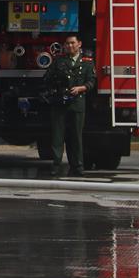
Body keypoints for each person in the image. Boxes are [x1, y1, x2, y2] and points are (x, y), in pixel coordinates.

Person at [43, 34, 95, 177]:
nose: (69, 46)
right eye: (67, 43)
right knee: (57, 136)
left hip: (77, 103)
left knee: (76, 137)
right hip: (60, 103)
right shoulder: (58, 61)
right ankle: (56, 166)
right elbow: (47, 79)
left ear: (79, 44)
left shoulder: (87, 62)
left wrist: (81, 88)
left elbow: (91, 82)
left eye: (72, 43)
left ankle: (77, 166)